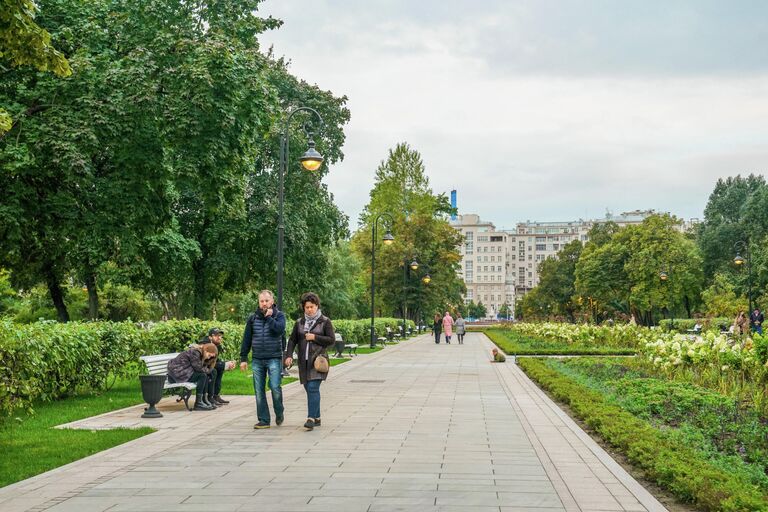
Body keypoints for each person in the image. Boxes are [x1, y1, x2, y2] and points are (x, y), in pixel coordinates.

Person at [284, 292, 335, 431]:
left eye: (312, 307)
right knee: (309, 389)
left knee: (313, 388)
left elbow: (331, 340)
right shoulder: (299, 322)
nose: (309, 310)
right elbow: (292, 340)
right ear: (303, 308)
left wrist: (315, 337)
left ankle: (310, 418)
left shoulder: (325, 321)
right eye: (307, 307)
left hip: (318, 361)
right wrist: (288, 355)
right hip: (303, 362)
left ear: (317, 306)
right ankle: (317, 417)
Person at [240, 290, 286, 429]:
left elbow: (279, 330)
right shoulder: (253, 318)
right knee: (259, 391)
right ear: (259, 302)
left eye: (266, 300)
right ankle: (264, 420)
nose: (264, 303)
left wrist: (269, 317)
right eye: (261, 301)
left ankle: (279, 412)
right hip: (257, 359)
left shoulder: (279, 316)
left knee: (275, 387)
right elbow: (246, 338)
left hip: (274, 358)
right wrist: (243, 358)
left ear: (272, 301)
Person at [167, 343, 218, 411]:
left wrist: (208, 366)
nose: (209, 357)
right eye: (209, 355)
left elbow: (201, 368)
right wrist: (207, 366)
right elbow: (199, 368)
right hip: (177, 375)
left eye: (211, 357)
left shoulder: (200, 353)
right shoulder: (195, 353)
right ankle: (198, 404)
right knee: (202, 375)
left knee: (205, 375)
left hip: (184, 373)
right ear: (205, 350)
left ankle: (203, 400)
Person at [200, 327, 235, 406]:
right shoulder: (205, 345)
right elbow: (206, 363)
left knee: (219, 369)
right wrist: (224, 365)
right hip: (200, 368)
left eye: (220, 336)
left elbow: (215, 360)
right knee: (214, 371)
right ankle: (210, 397)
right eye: (216, 335)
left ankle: (216, 396)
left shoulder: (216, 345)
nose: (219, 337)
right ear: (210, 337)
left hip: (206, 366)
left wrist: (227, 364)